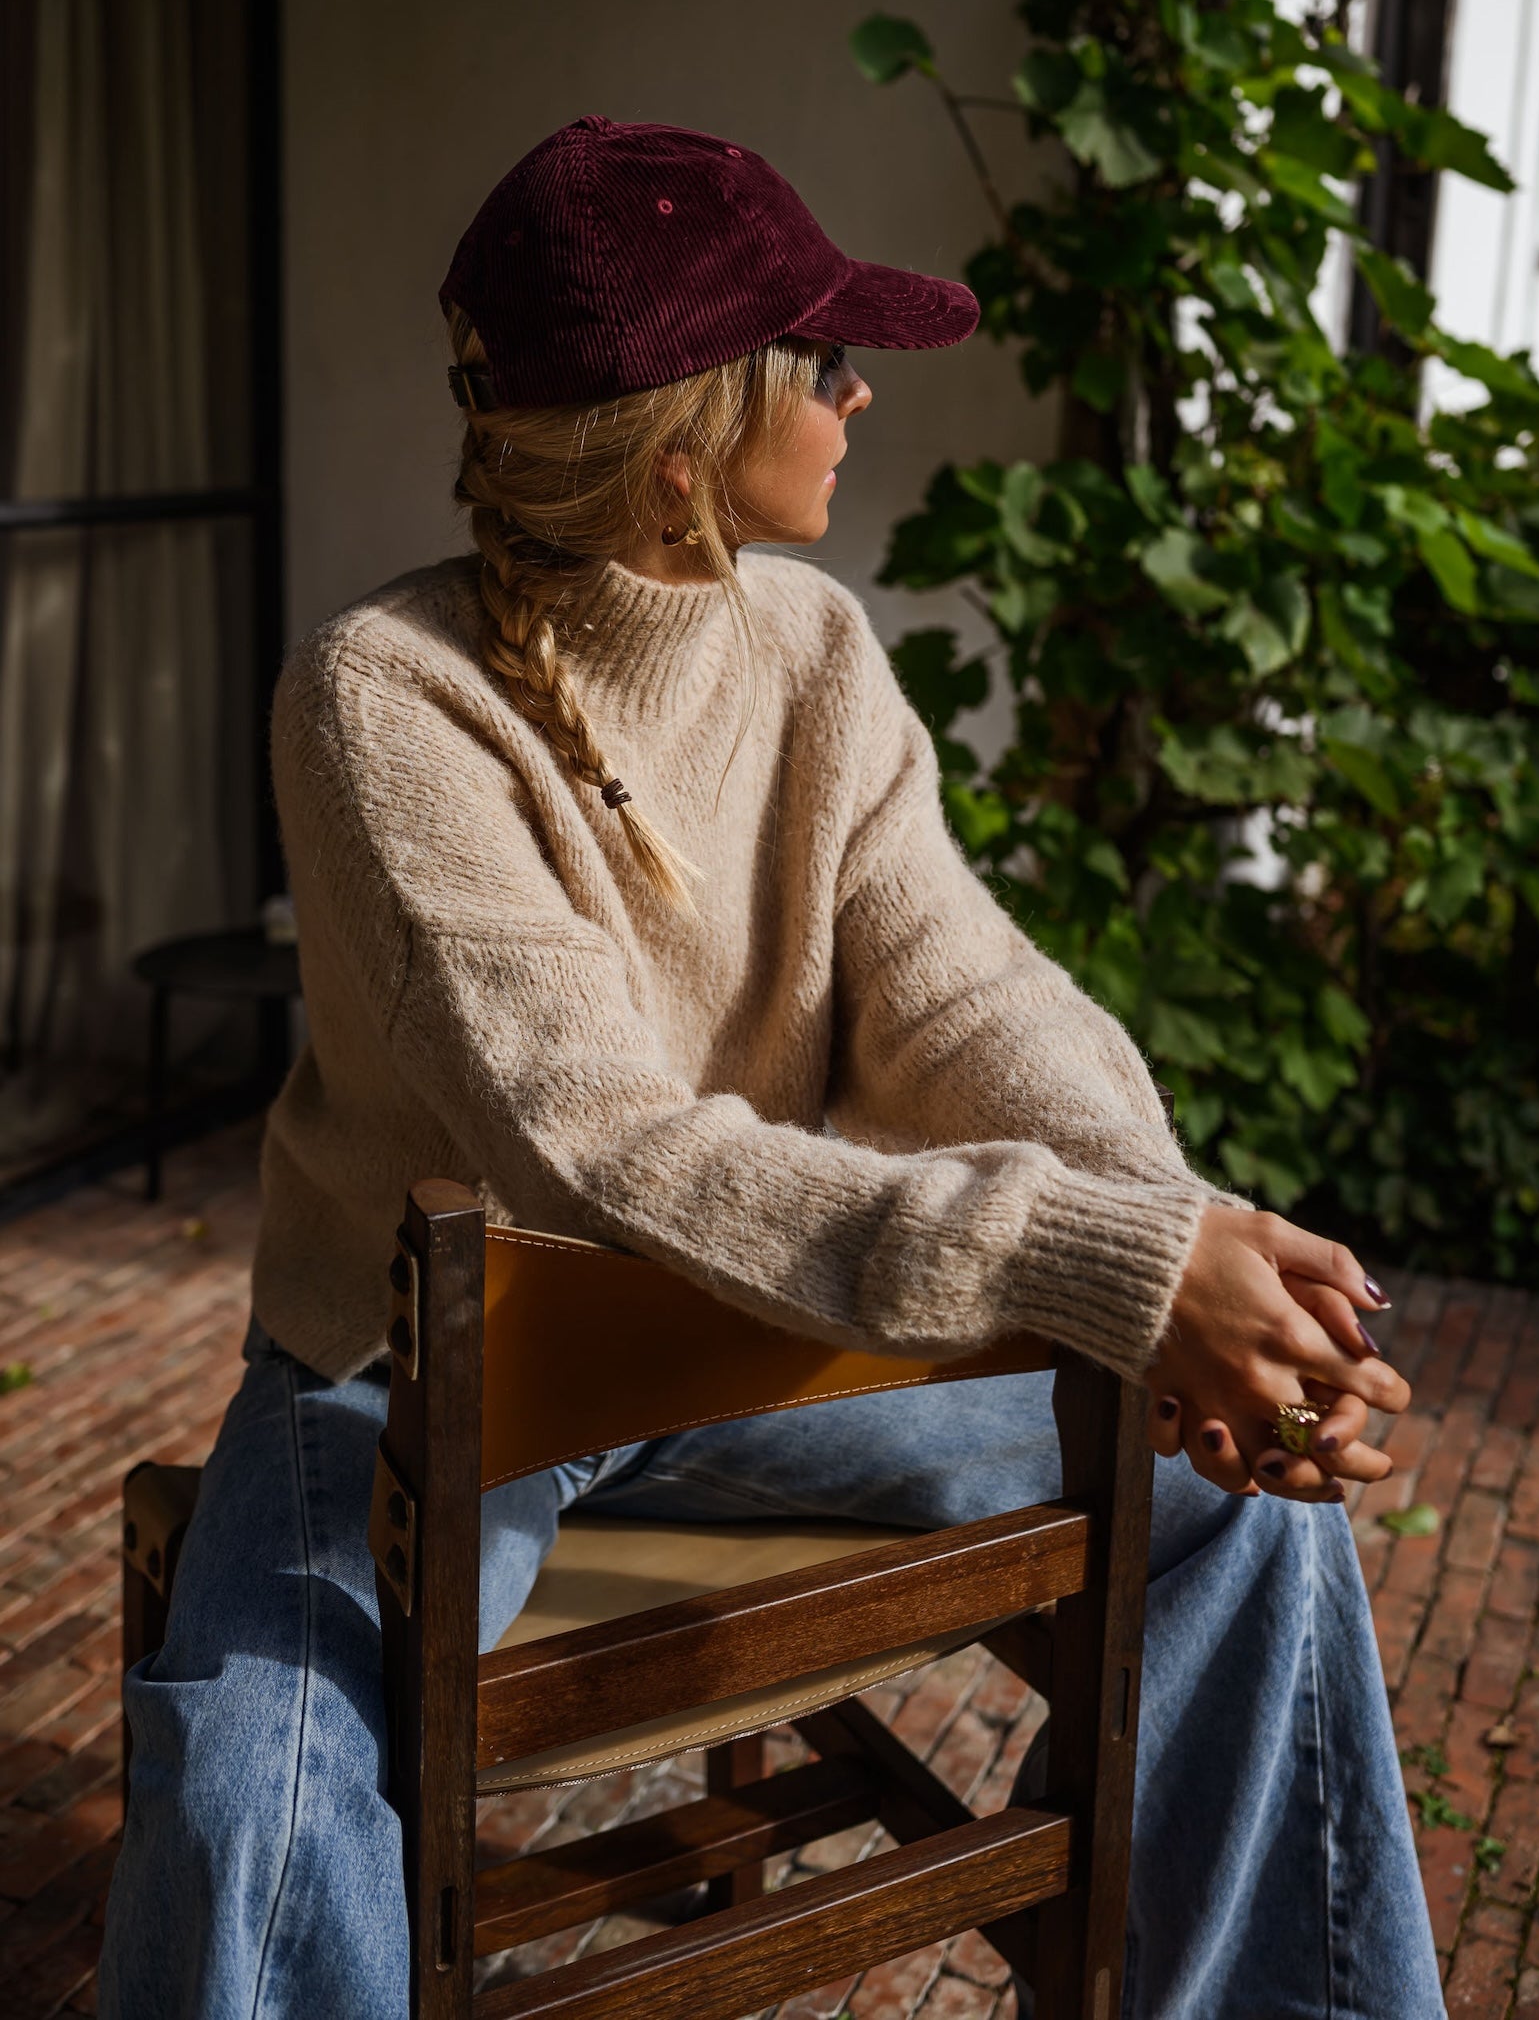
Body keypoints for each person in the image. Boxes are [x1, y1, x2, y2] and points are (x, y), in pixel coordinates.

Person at [102, 116, 1443, 2019]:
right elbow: (595, 1150)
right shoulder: (377, 699)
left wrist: (1182, 1239)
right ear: (681, 453)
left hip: (746, 1354)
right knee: (251, 1796)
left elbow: (966, 1002)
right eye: (819, 356)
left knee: (1242, 1503)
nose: (860, 386)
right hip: (412, 1380)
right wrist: (1117, 1267)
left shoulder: (813, 646)